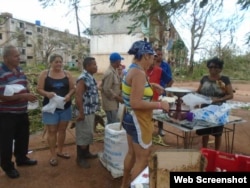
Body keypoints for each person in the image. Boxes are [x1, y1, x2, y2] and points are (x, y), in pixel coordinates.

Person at [120, 40, 170, 188]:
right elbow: (136, 103)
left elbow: (133, 90)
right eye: (152, 57)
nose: (153, 60)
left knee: (131, 154)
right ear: (145, 56)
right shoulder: (139, 73)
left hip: (129, 118)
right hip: (138, 120)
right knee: (142, 159)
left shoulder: (131, 69)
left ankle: (124, 185)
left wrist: (151, 85)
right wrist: (160, 104)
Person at [0, 45, 38, 179]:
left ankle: (21, 159)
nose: (19, 58)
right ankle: (8, 167)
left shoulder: (19, 69)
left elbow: (24, 85)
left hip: (22, 111)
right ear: (6, 58)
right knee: (6, 142)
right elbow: (2, 96)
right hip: (7, 114)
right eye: (16, 56)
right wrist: (23, 96)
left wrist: (28, 93)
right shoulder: (1, 72)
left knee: (23, 138)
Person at [37, 54, 75, 166]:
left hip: (65, 107)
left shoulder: (67, 74)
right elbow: (38, 89)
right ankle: (53, 155)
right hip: (50, 108)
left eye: (60, 62)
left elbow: (73, 88)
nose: (58, 64)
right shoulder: (45, 74)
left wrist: (69, 95)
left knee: (62, 130)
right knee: (52, 131)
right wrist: (47, 94)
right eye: (56, 62)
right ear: (51, 63)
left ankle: (60, 151)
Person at [196, 57, 234, 150]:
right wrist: (195, 99)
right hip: (205, 109)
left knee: (217, 133)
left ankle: (216, 152)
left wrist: (218, 100)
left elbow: (230, 95)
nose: (213, 69)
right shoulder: (204, 78)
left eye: (216, 67)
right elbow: (198, 91)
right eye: (210, 67)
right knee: (205, 132)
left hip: (219, 110)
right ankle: (204, 150)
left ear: (220, 68)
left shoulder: (224, 80)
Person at [75, 57, 100, 168]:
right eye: (94, 64)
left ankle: (86, 153)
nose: (96, 66)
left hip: (90, 111)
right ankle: (80, 158)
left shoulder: (90, 77)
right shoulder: (83, 78)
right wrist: (81, 113)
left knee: (88, 133)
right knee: (83, 135)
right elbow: (78, 96)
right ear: (87, 66)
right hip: (84, 112)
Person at [100, 52, 124, 125]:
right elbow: (107, 89)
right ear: (117, 62)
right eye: (120, 61)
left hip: (114, 102)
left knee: (113, 122)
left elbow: (117, 86)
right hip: (110, 103)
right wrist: (118, 98)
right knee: (112, 123)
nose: (120, 63)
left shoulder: (115, 71)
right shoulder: (110, 73)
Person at [155, 48, 174, 136]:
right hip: (150, 91)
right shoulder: (149, 65)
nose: (159, 56)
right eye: (157, 55)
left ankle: (160, 129)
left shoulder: (165, 66)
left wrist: (167, 89)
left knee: (160, 111)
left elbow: (170, 80)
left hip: (161, 92)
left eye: (160, 54)